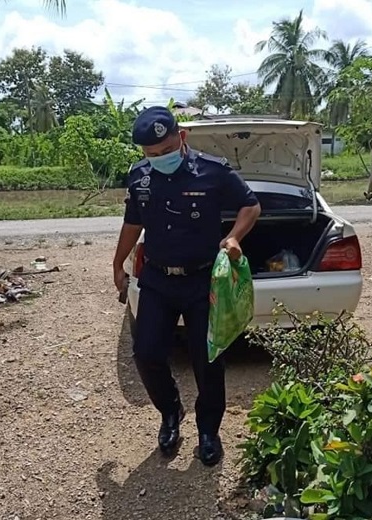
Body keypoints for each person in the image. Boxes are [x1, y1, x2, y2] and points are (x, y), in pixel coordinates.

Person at [112, 106, 261, 466]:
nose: (159, 159)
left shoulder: (213, 170)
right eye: (151, 155)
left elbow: (251, 206)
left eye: (165, 151)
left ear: (181, 138)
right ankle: (171, 411)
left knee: (208, 360)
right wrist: (118, 263)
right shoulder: (139, 177)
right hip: (158, 281)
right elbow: (133, 222)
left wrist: (233, 238)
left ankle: (209, 430)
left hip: (202, 282)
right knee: (146, 354)